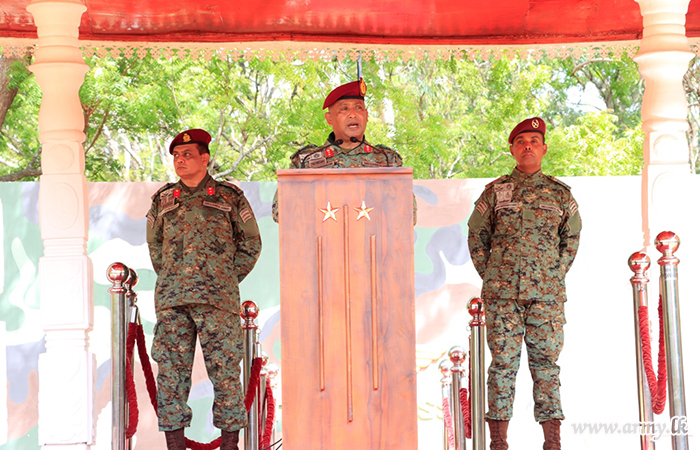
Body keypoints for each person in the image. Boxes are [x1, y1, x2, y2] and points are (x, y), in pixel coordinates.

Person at [467, 118, 581, 450]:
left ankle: (552, 442)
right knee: (502, 365)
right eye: (521, 141)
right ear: (512, 149)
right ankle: (498, 443)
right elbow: (476, 236)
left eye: (533, 141)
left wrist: (553, 274)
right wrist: (492, 275)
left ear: (544, 149)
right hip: (503, 297)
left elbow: (571, 239)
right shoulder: (495, 192)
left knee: (546, 367)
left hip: (546, 298)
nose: (527, 146)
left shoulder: (560, 194)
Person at [146, 128, 262, 450]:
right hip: (173, 301)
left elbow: (251, 243)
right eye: (176, 156)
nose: (180, 160)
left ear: (205, 159)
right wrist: (174, 277)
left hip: (217, 301)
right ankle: (175, 445)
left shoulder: (229, 197)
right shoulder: (163, 199)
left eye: (187, 155)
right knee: (171, 375)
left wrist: (224, 278)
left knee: (225, 374)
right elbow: (155, 247)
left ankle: (230, 445)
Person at [271, 78, 416, 224]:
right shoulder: (305, 161)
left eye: (358, 108)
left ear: (366, 116)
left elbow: (409, 214)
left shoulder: (387, 160)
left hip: (375, 237)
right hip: (320, 237)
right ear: (329, 119)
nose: (353, 114)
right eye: (344, 109)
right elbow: (281, 213)